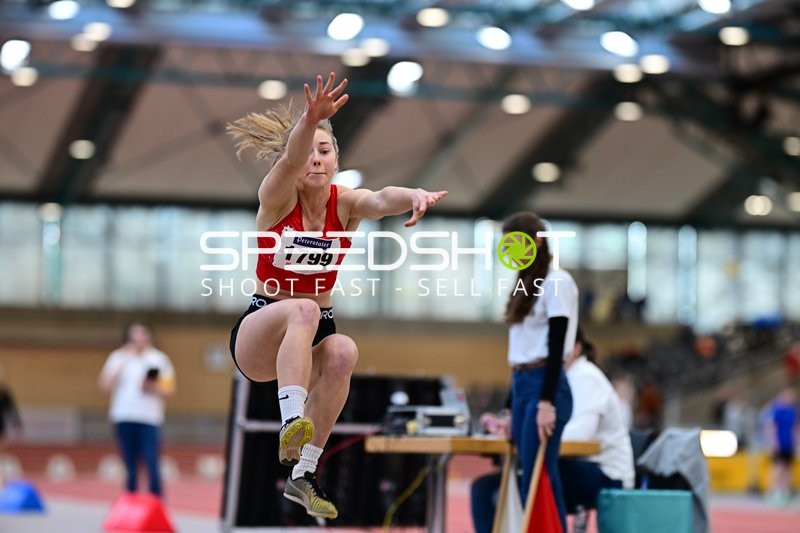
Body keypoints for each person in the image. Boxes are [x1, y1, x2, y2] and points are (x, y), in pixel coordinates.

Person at [225, 72, 447, 520]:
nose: (315, 160)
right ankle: (291, 422)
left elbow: (382, 198)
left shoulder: (344, 206)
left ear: (336, 160)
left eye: (324, 152)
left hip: (312, 332)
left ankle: (304, 473)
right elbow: (289, 159)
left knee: (344, 349)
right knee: (304, 307)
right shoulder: (275, 198)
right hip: (262, 327)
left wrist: (415, 195)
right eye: (308, 152)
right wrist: (309, 121)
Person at [501, 211, 577, 531]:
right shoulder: (523, 286)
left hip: (545, 384)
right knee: (526, 473)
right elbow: (521, 350)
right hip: (522, 383)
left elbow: (557, 345)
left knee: (539, 473)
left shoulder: (557, 281)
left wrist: (546, 402)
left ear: (538, 242)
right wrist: (508, 407)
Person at [559, 330, 635, 531]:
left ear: (575, 349)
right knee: (486, 487)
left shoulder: (586, 377)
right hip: (585, 467)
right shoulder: (565, 379)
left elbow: (581, 436)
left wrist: (541, 432)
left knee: (544, 476)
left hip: (610, 475)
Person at [98, 322, 176, 498]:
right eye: (135, 337)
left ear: (149, 338)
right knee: (129, 462)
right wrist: (124, 361)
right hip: (123, 416)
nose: (139, 340)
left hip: (149, 418)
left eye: (143, 336)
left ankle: (156, 500)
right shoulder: (117, 357)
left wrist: (151, 387)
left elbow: (170, 390)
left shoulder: (159, 359)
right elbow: (105, 385)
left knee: (151, 460)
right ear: (129, 338)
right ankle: (130, 498)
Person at [765, 385, 797, 506]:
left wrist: (795, 442)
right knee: (777, 467)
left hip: (789, 444)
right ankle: (774, 491)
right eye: (789, 395)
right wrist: (773, 442)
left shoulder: (792, 411)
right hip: (778, 443)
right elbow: (770, 426)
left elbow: (795, 428)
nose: (791, 397)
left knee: (788, 468)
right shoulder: (776, 409)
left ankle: (785, 491)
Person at [0, 364, 23, 487]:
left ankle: (1, 474)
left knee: (1, 450)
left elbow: (12, 410)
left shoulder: (5, 393)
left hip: (0, 424)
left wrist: (17, 423)